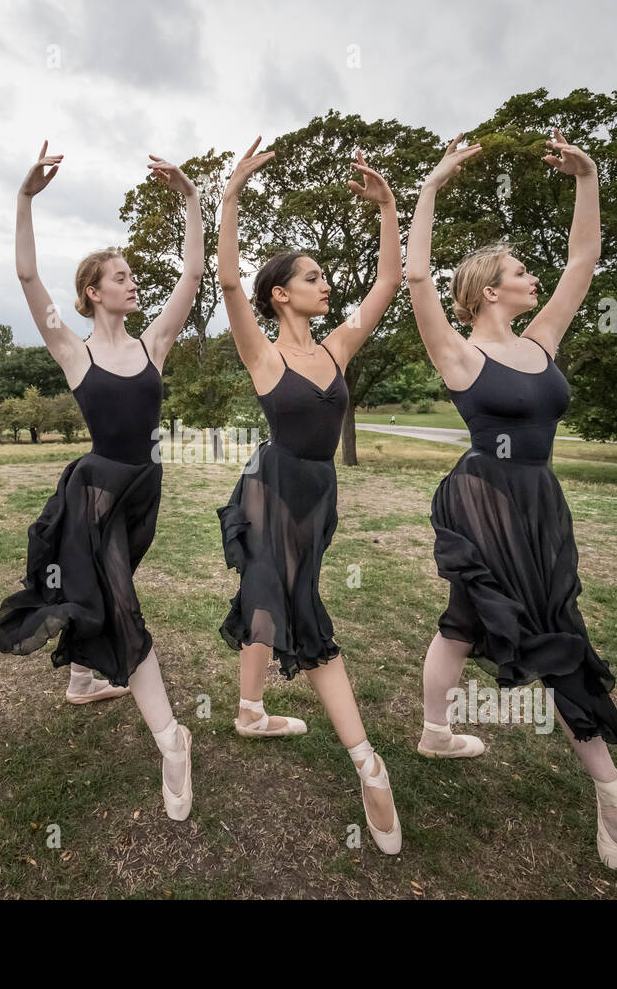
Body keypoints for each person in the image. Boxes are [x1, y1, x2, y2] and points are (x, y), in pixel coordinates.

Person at [405, 129, 617, 870]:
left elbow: (584, 261)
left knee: (463, 625)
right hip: (483, 502)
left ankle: (433, 730)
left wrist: (589, 178)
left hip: (540, 503)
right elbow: (415, 280)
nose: (533, 277)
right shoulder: (458, 352)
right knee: (548, 628)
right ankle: (610, 787)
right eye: (518, 271)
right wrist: (432, 186)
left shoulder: (542, 341)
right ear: (485, 289)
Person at [0, 142, 204, 821]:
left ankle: (83, 678)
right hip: (95, 495)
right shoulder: (74, 352)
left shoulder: (153, 346)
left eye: (133, 274)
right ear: (91, 292)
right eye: (119, 275)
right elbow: (26, 277)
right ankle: (172, 740)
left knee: (109, 587)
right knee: (121, 603)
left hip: (143, 491)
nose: (133, 282)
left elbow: (193, 275)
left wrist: (192, 198)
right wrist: (24, 199)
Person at [217, 138, 404, 855]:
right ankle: (367, 763)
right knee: (295, 606)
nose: (328, 286)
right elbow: (229, 283)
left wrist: (388, 208)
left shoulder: (337, 350)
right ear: (280, 294)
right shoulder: (262, 352)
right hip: (272, 490)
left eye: (326, 277)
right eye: (314, 277)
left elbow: (389, 284)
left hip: (318, 495)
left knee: (274, 599)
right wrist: (233, 194)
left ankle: (250, 708)